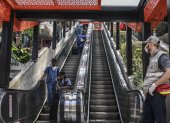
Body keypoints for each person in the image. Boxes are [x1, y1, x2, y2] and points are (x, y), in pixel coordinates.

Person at [143, 36, 170, 123]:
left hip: (157, 92)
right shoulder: (152, 57)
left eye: (147, 44)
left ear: (150, 44)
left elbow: (169, 73)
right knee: (147, 119)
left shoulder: (162, 56)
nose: (146, 46)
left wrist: (154, 85)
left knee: (160, 119)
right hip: (150, 92)